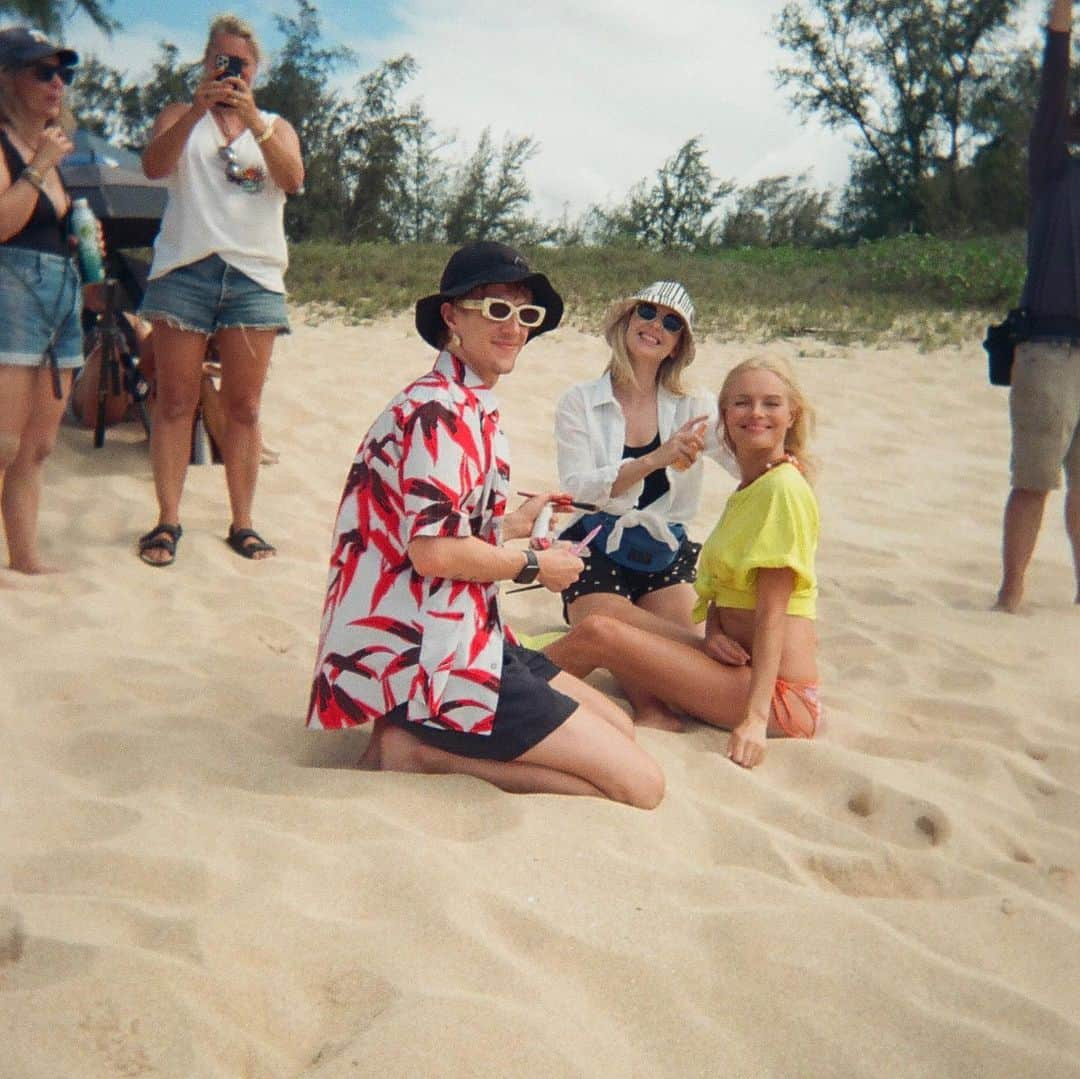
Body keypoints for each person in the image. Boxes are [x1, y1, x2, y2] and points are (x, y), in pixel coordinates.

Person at [307, 242, 664, 808]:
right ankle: (418, 753)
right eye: (496, 309)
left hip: (465, 630)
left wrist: (512, 523)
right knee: (642, 786)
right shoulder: (438, 412)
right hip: (429, 657)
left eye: (526, 315)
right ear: (451, 316)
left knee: (619, 729)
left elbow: (431, 534)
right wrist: (534, 565)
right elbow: (434, 555)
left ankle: (419, 745)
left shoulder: (464, 403)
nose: (514, 328)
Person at [546, 356, 820, 770]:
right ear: (722, 416)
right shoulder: (753, 486)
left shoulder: (781, 490)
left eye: (771, 403)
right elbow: (729, 590)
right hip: (738, 669)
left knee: (599, 633)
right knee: (606, 631)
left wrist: (755, 720)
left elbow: (771, 614)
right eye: (742, 403)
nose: (756, 414)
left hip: (782, 698)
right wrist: (711, 633)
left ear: (792, 413)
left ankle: (498, 686)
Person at [136, 13, 303, 567]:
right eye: (220, 62)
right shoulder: (180, 116)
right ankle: (167, 519)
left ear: (256, 72)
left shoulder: (275, 125)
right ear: (205, 64)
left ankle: (243, 521)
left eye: (241, 66)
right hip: (186, 268)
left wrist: (252, 119)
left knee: (246, 407)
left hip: (253, 274)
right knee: (175, 400)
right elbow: (155, 166)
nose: (231, 73)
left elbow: (293, 179)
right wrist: (197, 114)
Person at [553, 282, 732, 655]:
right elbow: (577, 491)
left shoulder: (694, 404)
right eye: (647, 312)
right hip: (594, 543)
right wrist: (654, 459)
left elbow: (739, 456)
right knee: (613, 632)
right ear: (628, 320)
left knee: (689, 667)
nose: (656, 326)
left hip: (662, 549)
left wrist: (780, 460)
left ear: (679, 344)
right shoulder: (580, 401)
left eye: (671, 323)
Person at [995, 0, 1080, 612]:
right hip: (1049, 346)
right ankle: (1012, 593)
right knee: (1034, 479)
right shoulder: (1055, 170)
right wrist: (1060, 29)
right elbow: (1051, 104)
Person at [0, 26, 81, 577]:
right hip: (13, 293)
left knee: (37, 447)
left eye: (63, 73)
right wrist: (39, 168)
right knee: (2, 444)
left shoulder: (53, 150)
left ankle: (25, 558)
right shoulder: (9, 145)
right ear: (7, 79)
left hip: (60, 296)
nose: (57, 83)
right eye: (42, 71)